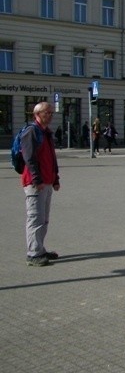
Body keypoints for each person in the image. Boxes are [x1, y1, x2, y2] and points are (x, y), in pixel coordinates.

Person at [20, 101, 61, 267]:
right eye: (47, 112)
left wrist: (56, 179)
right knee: (35, 218)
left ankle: (40, 249)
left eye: (51, 112)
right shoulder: (31, 132)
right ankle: (33, 253)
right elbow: (29, 158)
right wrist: (37, 180)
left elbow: (52, 158)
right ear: (37, 114)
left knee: (43, 219)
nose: (50, 115)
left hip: (47, 181)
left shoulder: (46, 133)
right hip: (36, 183)